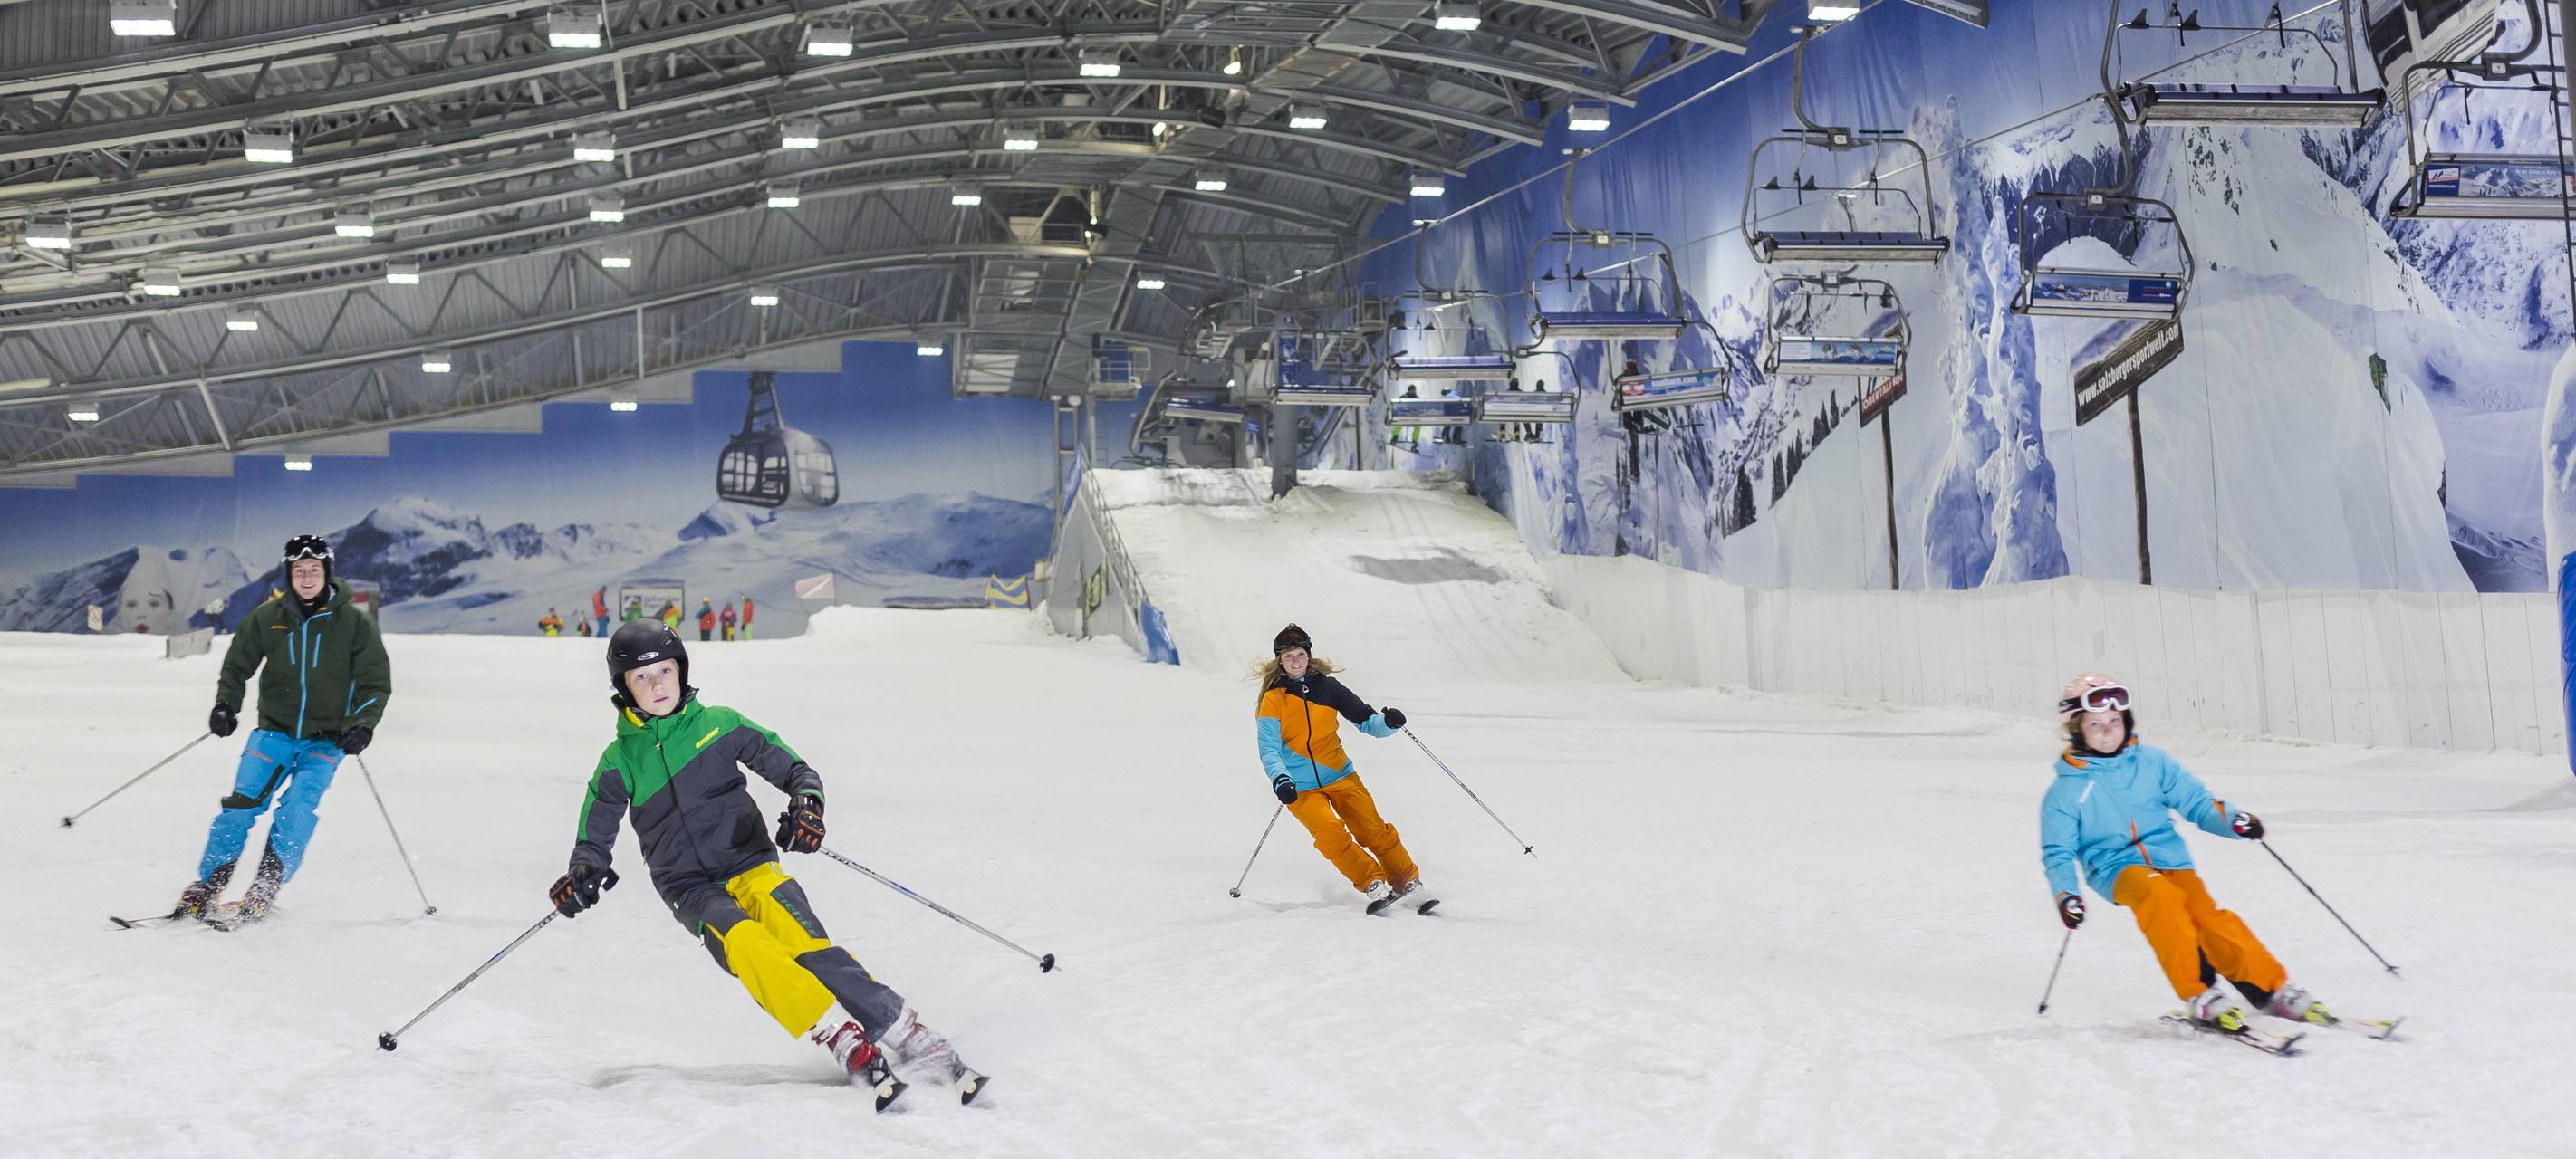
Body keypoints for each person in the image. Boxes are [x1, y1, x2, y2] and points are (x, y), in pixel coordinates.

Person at [549, 621, 980, 1105]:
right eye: (642, 678)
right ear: (623, 688)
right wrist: (582, 873)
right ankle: (840, 1037)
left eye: (665, 671)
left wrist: (807, 806)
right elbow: (594, 833)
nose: (658, 685)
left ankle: (910, 1035)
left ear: (682, 670)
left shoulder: (722, 725)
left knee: (805, 944)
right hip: (690, 888)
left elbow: (797, 771)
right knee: (749, 944)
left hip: (752, 864)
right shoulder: (619, 762)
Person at [2041, 673, 2337, 1034]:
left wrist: (2233, 821)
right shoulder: (2066, 792)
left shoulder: (2152, 762)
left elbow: (2195, 801)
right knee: (2160, 899)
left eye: (2115, 722)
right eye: (2096, 724)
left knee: (2207, 917)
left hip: (2170, 858)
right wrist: (2067, 896)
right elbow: (2058, 852)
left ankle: (2270, 988)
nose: (2108, 732)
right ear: (2076, 730)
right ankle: (2200, 994)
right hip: (2115, 868)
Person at [177, 535, 393, 924]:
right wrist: (226, 704)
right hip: (273, 733)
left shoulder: (352, 624)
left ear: (326, 572)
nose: (306, 577)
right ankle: (209, 885)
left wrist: (363, 724)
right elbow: (237, 665)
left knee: (297, 810)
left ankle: (266, 885)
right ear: (288, 574)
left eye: (313, 570)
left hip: (327, 740)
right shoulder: (267, 617)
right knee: (239, 809)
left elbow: (374, 681)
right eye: (298, 570)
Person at [1254, 624, 1427, 911]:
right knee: (1330, 833)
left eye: (1300, 654)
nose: (1295, 660)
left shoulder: (1328, 688)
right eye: (1288, 657)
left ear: (1308, 655)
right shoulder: (1274, 699)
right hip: (1300, 787)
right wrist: (1281, 779)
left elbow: (1366, 720)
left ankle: (1406, 879)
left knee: (1372, 829)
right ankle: (1372, 881)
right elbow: (1268, 748)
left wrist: (1389, 724)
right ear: (1280, 662)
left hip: (1341, 775)